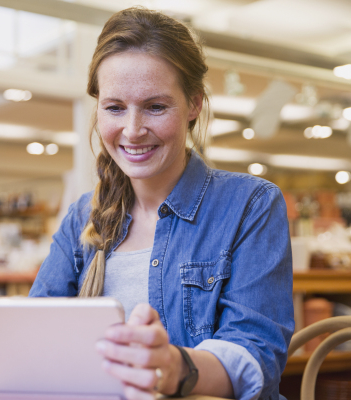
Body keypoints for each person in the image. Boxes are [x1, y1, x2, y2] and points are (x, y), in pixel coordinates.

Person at [29, 7, 294, 400]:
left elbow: (256, 354)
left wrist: (176, 368)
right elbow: (37, 329)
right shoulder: (83, 216)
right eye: (115, 107)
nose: (133, 131)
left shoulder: (250, 204)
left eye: (155, 106)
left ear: (193, 105)